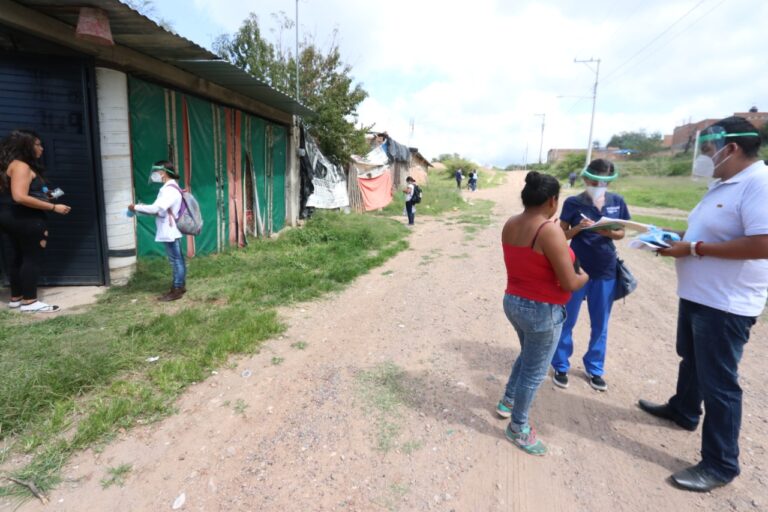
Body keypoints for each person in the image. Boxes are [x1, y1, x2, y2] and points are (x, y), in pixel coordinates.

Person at [638, 117, 768, 492]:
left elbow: (762, 243)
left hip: (726, 305)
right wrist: (671, 238)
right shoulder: (723, 184)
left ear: (732, 148)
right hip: (699, 294)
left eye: (710, 150)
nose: (707, 157)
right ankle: (683, 410)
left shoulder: (759, 184)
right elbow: (705, 233)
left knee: (719, 383)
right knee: (690, 359)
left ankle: (720, 464)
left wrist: (692, 248)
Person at [497, 171, 588, 455]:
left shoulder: (511, 223)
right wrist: (585, 275)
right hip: (542, 311)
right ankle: (518, 427)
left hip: (514, 302)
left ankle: (507, 401)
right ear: (552, 201)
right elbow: (571, 283)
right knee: (535, 373)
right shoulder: (548, 230)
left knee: (528, 356)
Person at [550, 159, 630, 392]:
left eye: (604, 182)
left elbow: (622, 231)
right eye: (595, 181)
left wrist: (608, 232)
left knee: (600, 323)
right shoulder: (573, 203)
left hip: (605, 269)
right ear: (585, 179)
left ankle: (595, 368)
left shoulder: (617, 202)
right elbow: (561, 234)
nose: (599, 185)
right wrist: (578, 229)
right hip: (576, 267)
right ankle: (561, 364)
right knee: (567, 319)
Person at [0, 129, 72, 313]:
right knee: (32, 258)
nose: (42, 148)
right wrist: (54, 207)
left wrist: (52, 195)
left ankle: (16, 298)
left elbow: (31, 193)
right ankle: (30, 302)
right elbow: (19, 196)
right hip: (26, 219)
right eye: (38, 144)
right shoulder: (21, 166)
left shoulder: (11, 166)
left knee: (19, 256)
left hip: (11, 218)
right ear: (25, 146)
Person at [128, 161, 187, 301]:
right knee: (177, 259)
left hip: (169, 229)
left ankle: (177, 289)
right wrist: (144, 208)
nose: (154, 175)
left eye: (156, 172)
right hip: (169, 227)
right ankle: (180, 286)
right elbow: (160, 210)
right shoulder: (171, 188)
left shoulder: (169, 190)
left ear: (163, 172)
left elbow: (156, 208)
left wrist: (135, 207)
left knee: (175, 260)